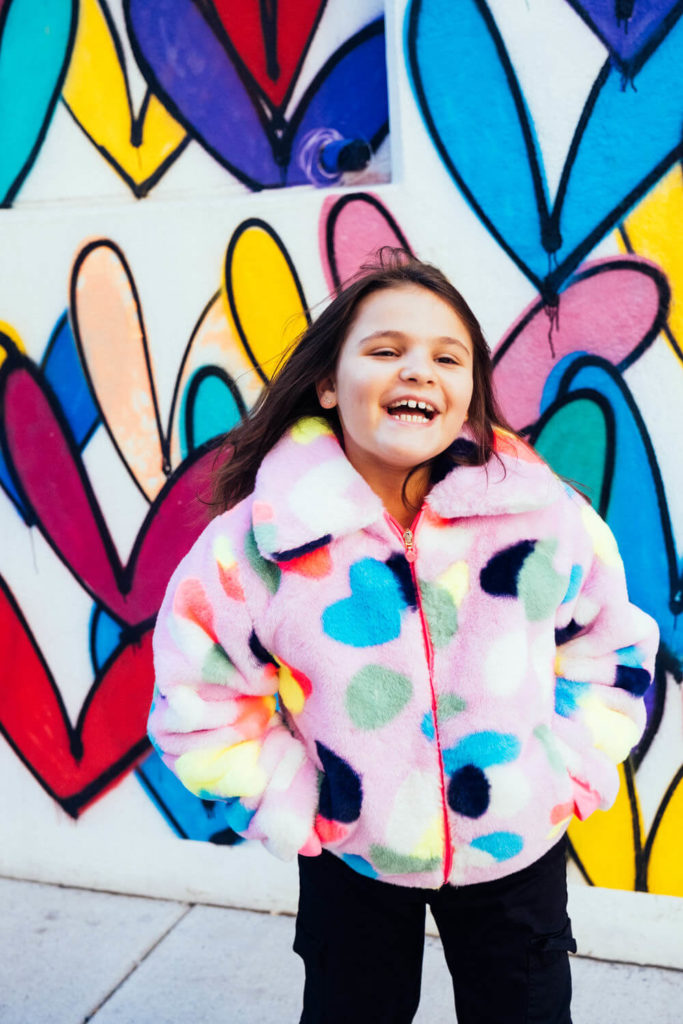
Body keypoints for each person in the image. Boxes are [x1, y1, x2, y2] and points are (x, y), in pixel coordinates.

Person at [149, 250, 658, 1023]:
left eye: (446, 357)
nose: (417, 370)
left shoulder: (543, 519)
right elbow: (199, 698)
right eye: (385, 350)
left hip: (514, 846)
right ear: (328, 383)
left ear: (466, 398)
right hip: (350, 853)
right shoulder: (257, 543)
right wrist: (297, 801)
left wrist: (566, 770)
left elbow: (610, 650)